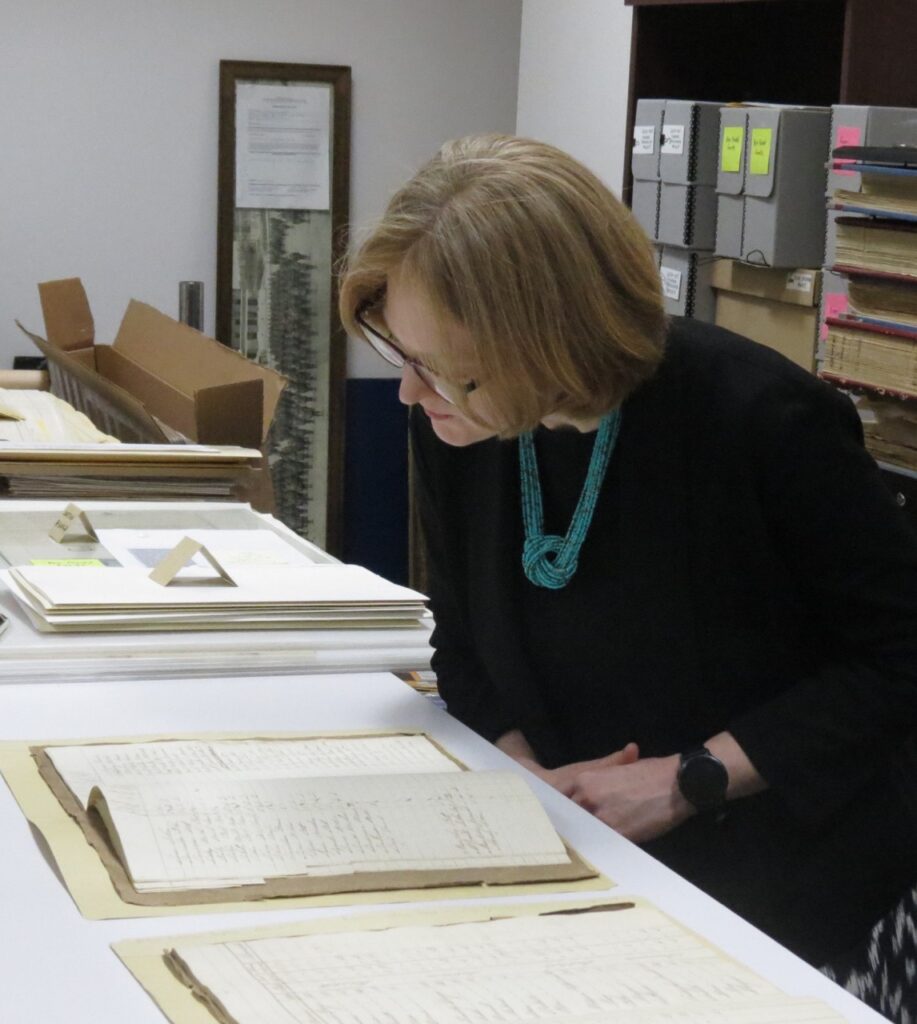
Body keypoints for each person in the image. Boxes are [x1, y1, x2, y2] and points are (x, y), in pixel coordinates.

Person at [338, 134, 917, 971]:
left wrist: (689, 779)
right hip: (574, 856)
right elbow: (458, 638)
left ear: (544, 339)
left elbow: (898, 657)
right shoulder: (453, 425)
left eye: (441, 368)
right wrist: (519, 772)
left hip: (776, 881)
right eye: (404, 355)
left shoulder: (762, 418)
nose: (408, 390)